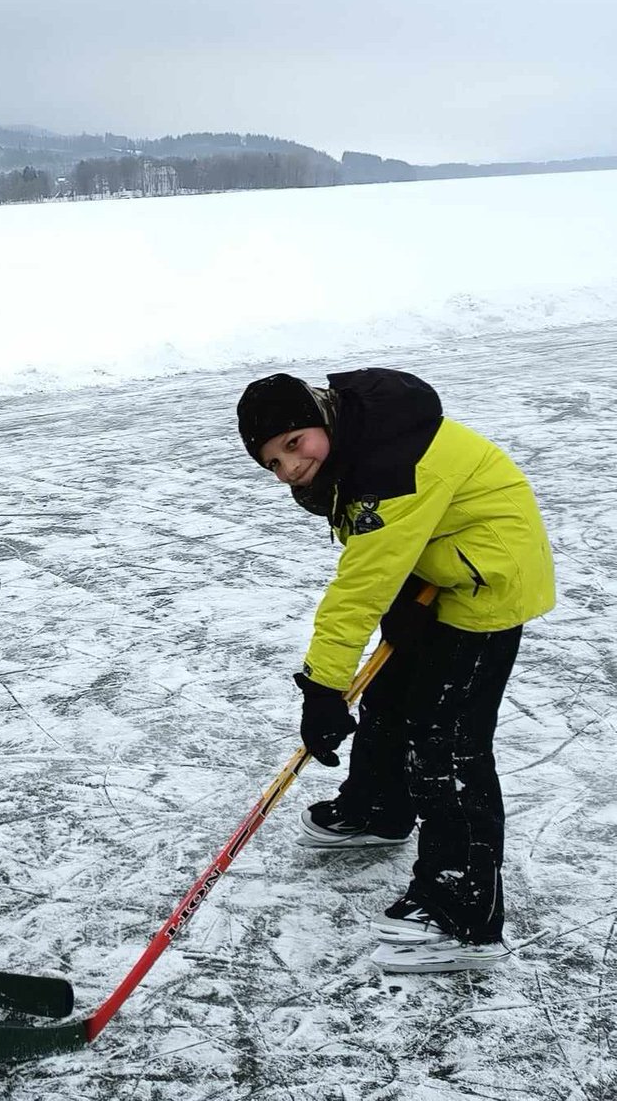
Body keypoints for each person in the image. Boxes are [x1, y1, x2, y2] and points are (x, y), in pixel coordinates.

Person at [236, 368, 554, 972]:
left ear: (320, 418)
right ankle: (379, 809)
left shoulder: (393, 466)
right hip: (436, 573)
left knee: (447, 740)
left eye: (293, 445)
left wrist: (323, 688)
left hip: (487, 583)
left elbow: (359, 587)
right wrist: (409, 594)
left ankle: (464, 910)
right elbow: (379, 559)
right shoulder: (358, 445)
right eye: (272, 463)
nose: (289, 469)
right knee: (389, 695)